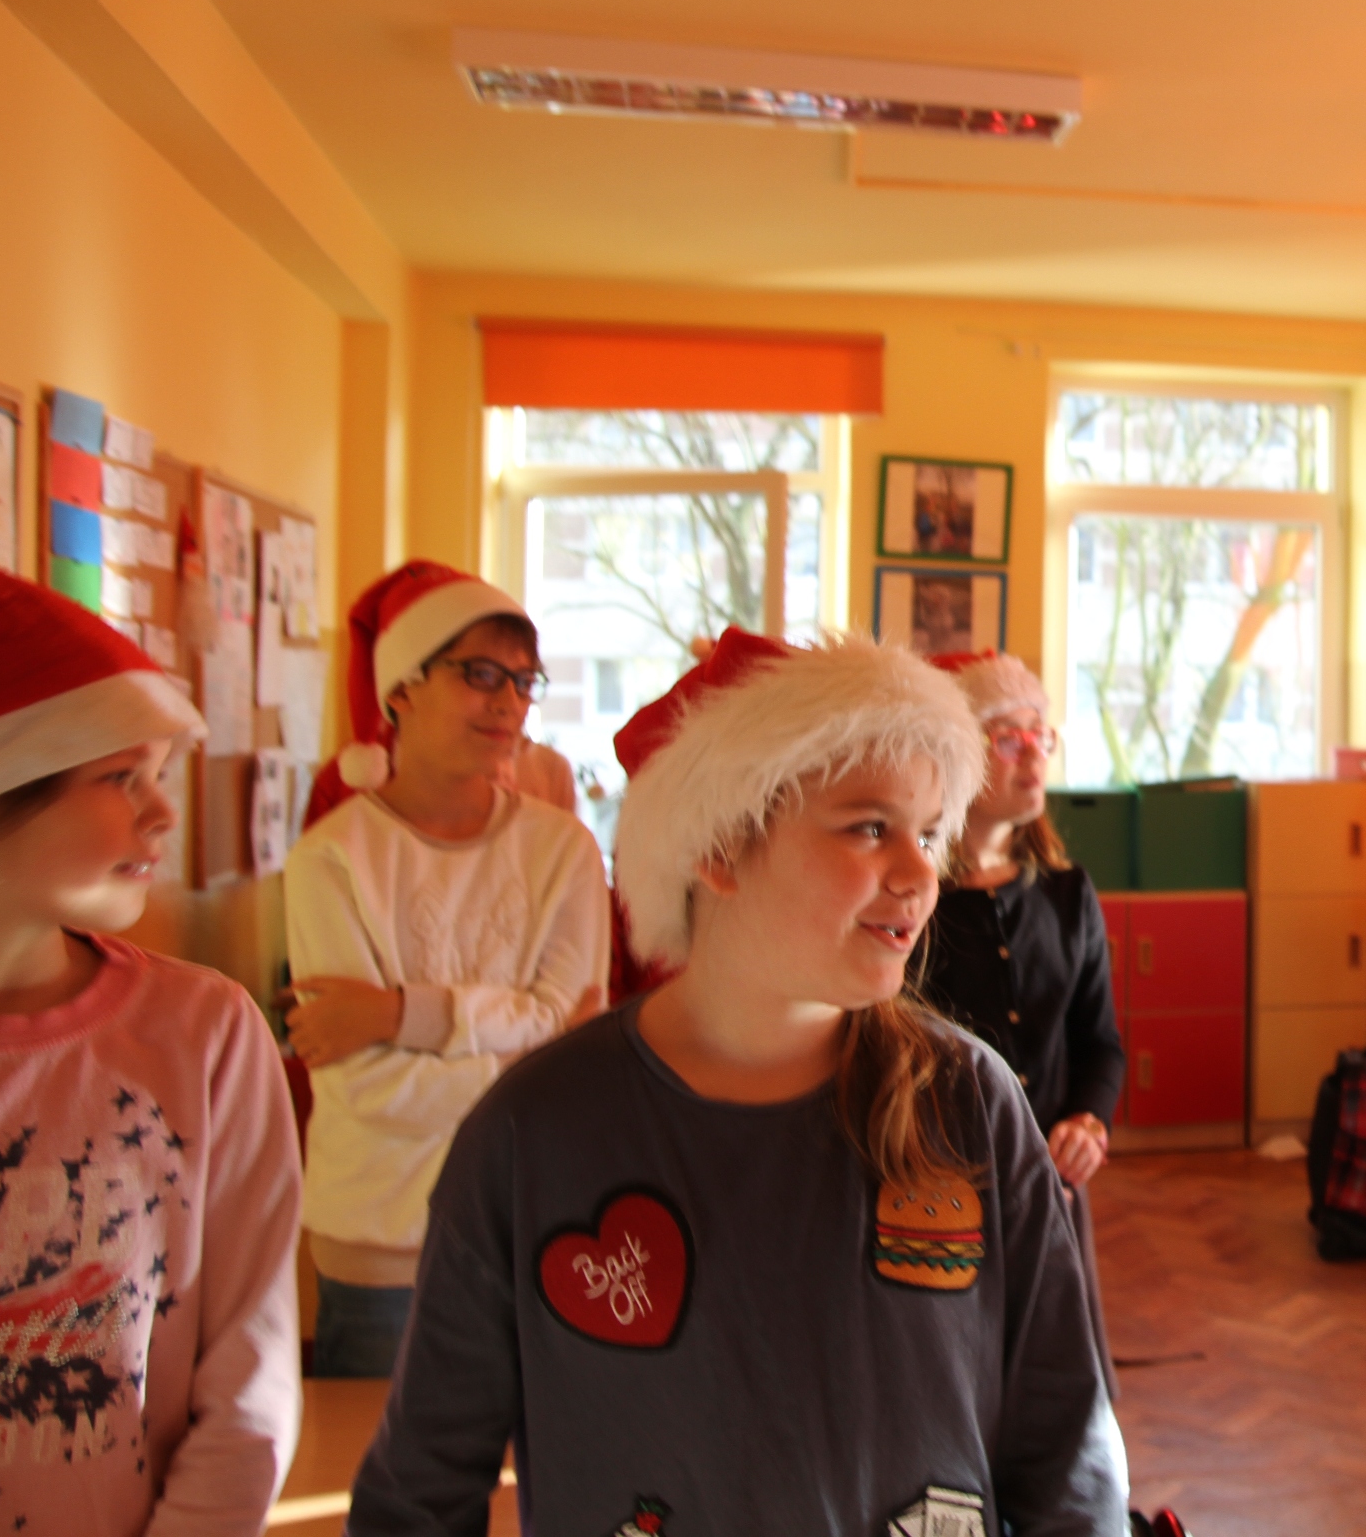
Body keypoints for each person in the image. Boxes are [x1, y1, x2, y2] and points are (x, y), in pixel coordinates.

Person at [347, 629, 1128, 1535]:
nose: (923, 871)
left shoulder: (971, 1104)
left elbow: (1066, 1449)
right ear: (718, 846)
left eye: (928, 832)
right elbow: (422, 1489)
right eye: (869, 827)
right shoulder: (535, 1132)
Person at [0, 556, 302, 1533]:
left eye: (159, 775)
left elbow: (248, 1385)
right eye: (120, 778)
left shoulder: (202, 1037)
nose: (163, 812)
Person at [284, 561, 610, 1376]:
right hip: (381, 1234)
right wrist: (526, 1064)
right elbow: (362, 1084)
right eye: (480, 674)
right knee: (375, 1450)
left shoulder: (562, 850)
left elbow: (573, 1036)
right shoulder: (332, 859)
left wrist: (399, 1016)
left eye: (524, 681)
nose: (509, 702)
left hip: (529, 1222)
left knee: (527, 1457)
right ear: (401, 687)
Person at [917, 650, 1125, 1389]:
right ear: (959, 755)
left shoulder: (1068, 895)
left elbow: (1100, 1043)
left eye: (1042, 736)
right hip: (942, 1195)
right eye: (1009, 738)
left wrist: (1089, 1122)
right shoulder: (914, 899)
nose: (1034, 755)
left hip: (1051, 1189)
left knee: (1059, 1387)